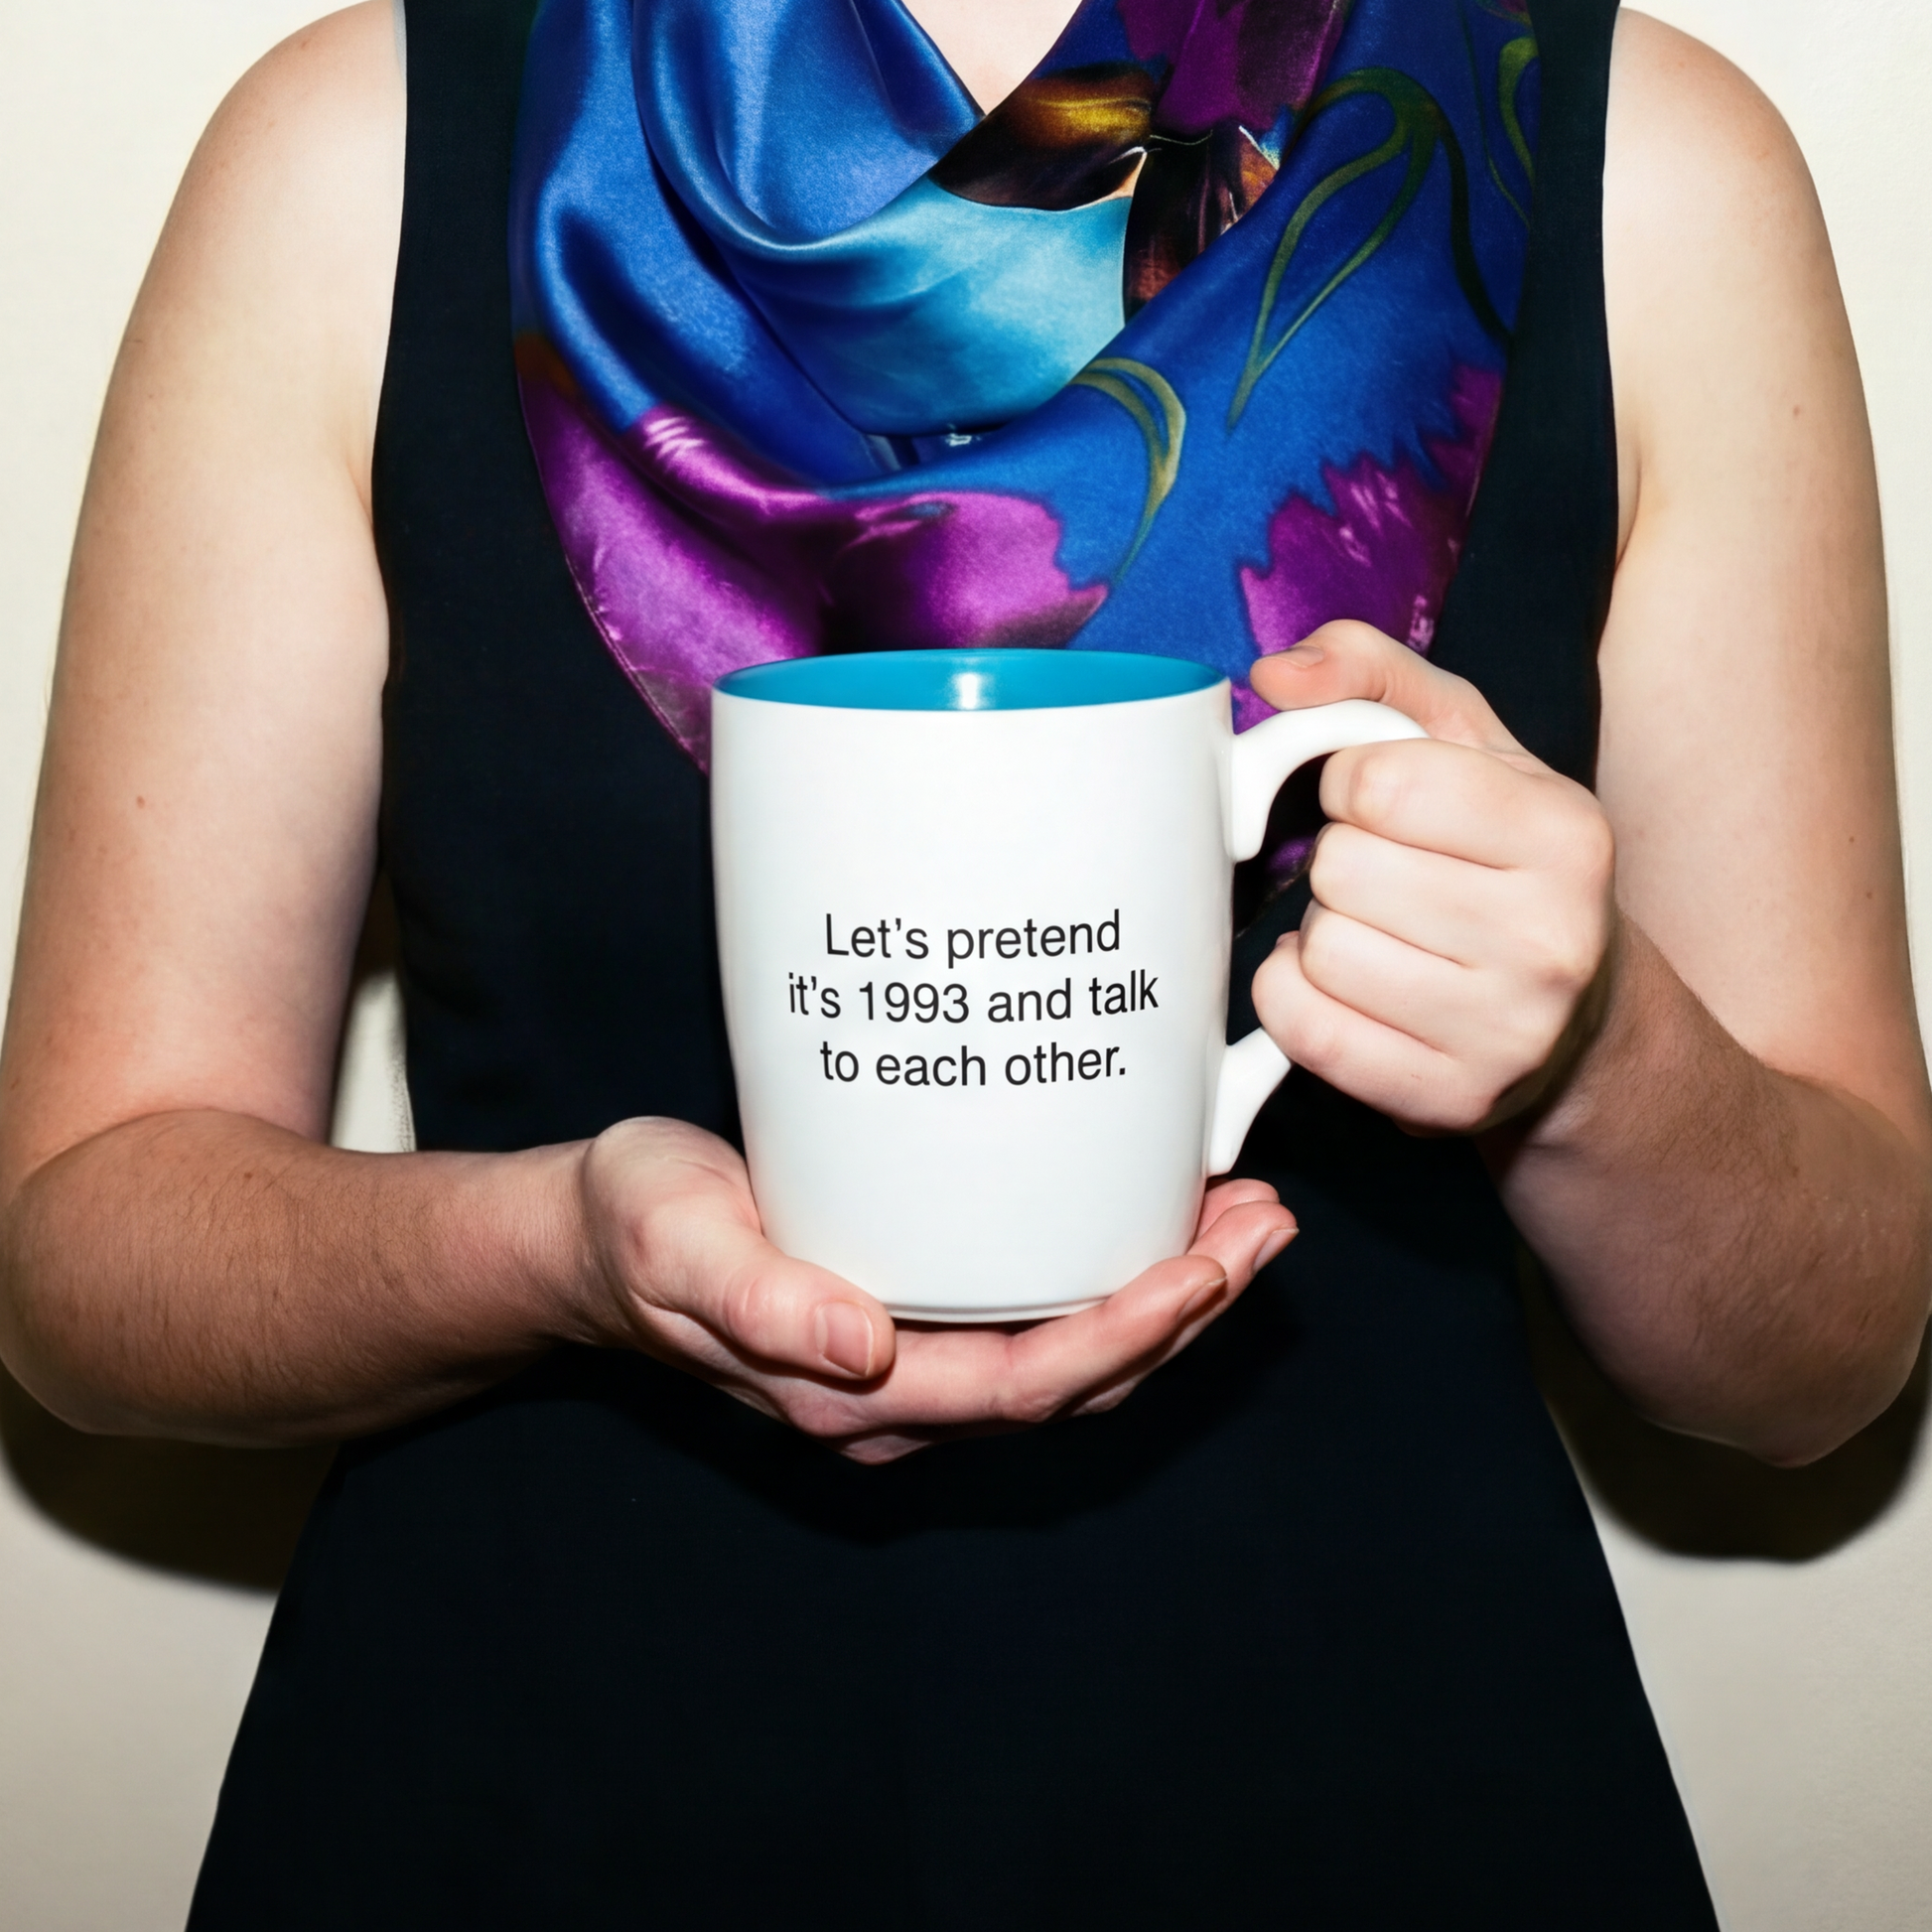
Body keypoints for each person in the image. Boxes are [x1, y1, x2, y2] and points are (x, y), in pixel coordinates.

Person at [0, 0, 1924, 1922]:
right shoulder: (369, 147)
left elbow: (1819, 1357)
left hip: (1381, 1793)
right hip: (532, 1786)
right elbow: (83, 1257)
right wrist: (558, 1249)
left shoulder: (1637, 160)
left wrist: (1587, 1045)